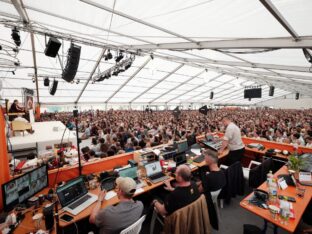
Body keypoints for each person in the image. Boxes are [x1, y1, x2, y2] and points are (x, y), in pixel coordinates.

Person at [197, 149, 226, 230]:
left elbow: (199, 191)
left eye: (205, 158)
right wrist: (201, 182)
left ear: (209, 160)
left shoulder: (209, 177)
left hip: (204, 199)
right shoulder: (222, 172)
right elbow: (206, 183)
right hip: (214, 196)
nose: (204, 159)